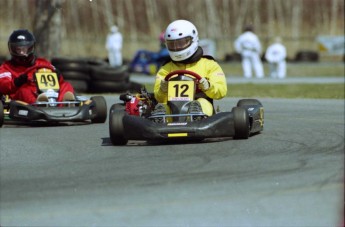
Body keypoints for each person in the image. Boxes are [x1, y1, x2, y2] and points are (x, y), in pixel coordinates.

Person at [153, 19, 227, 118]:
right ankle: (159, 120)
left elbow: (221, 91)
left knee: (201, 103)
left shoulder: (209, 64)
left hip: (201, 108)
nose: (176, 48)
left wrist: (208, 86)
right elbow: (159, 98)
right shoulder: (166, 69)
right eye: (172, 44)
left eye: (181, 43)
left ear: (193, 40)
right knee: (162, 107)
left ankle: (196, 115)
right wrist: (162, 90)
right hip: (173, 111)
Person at [0, 29, 75, 104]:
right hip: (22, 99)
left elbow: (59, 81)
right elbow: (3, 85)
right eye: (18, 50)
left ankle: (66, 104)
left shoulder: (42, 63)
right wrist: (17, 82)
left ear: (31, 48)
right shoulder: (6, 67)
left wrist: (58, 76)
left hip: (48, 92)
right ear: (12, 49)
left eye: (24, 49)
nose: (21, 53)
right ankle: (40, 104)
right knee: (24, 90)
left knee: (66, 85)